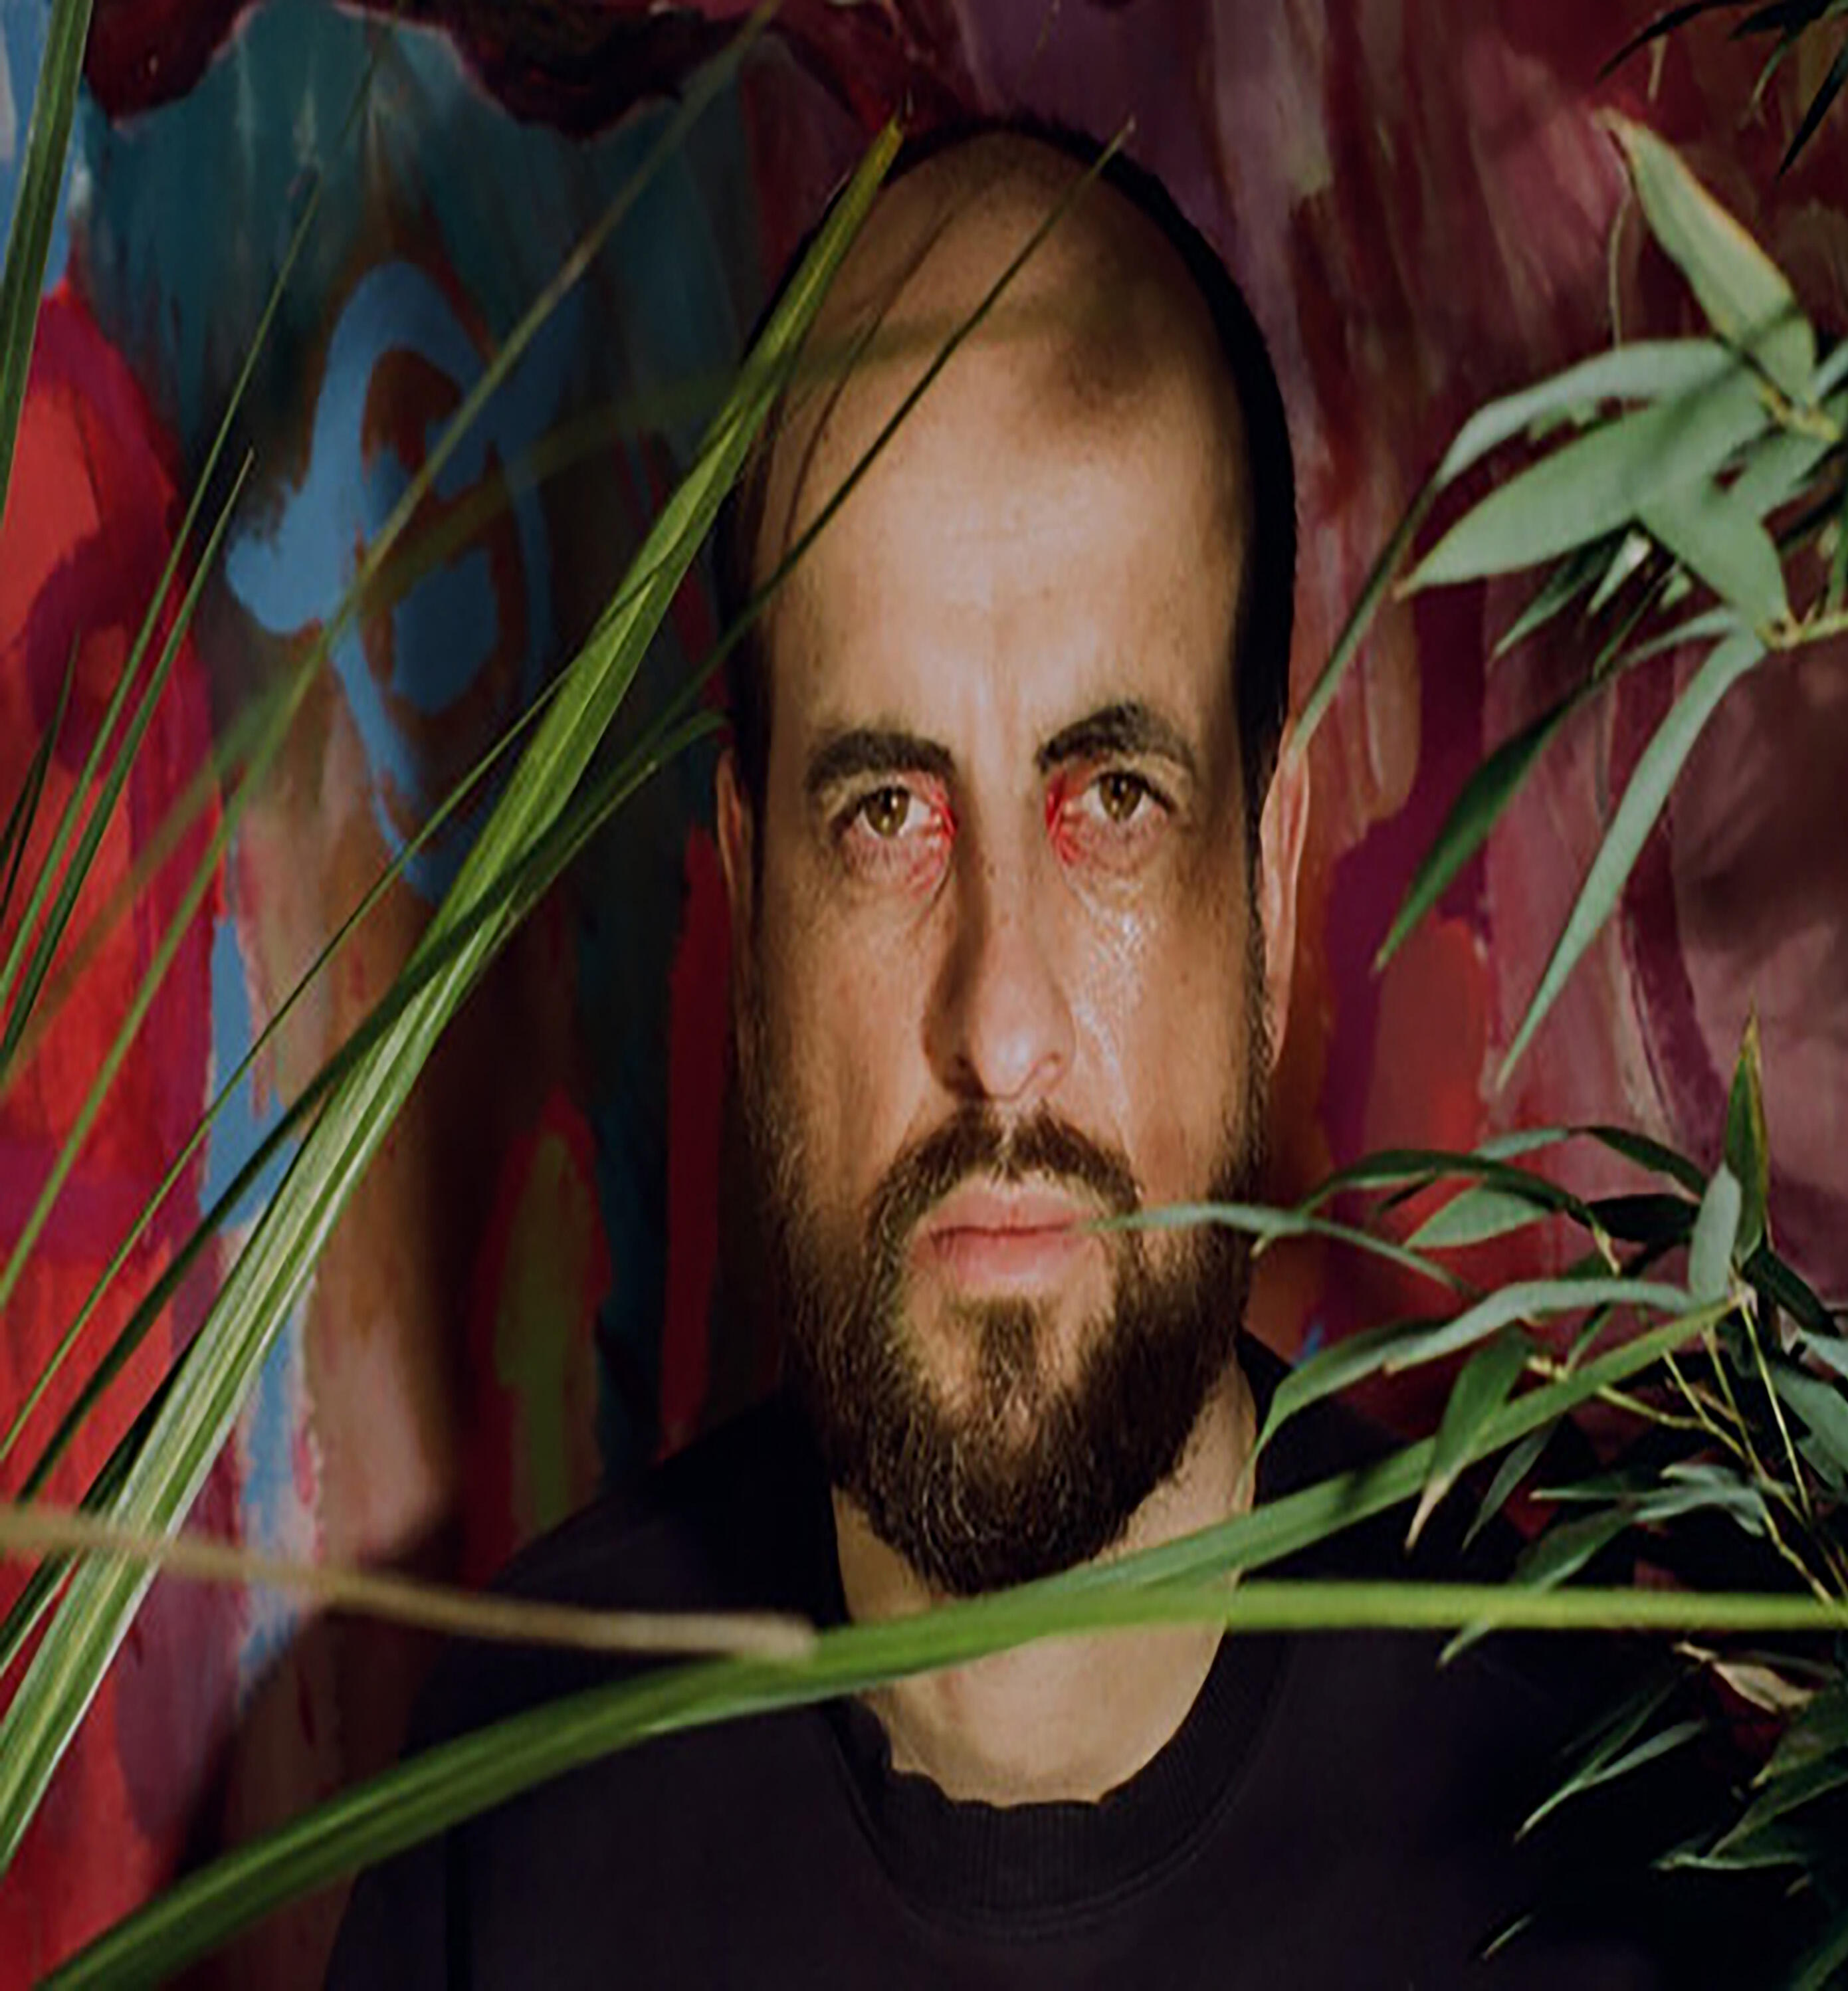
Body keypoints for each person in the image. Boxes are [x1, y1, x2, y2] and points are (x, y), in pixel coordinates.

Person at [327, 124, 1736, 1988]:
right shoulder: (508, 1833)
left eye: (1115, 801)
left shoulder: (1613, 1847)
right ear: (751, 895)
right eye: (887, 815)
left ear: (1269, 879)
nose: (999, 1028)